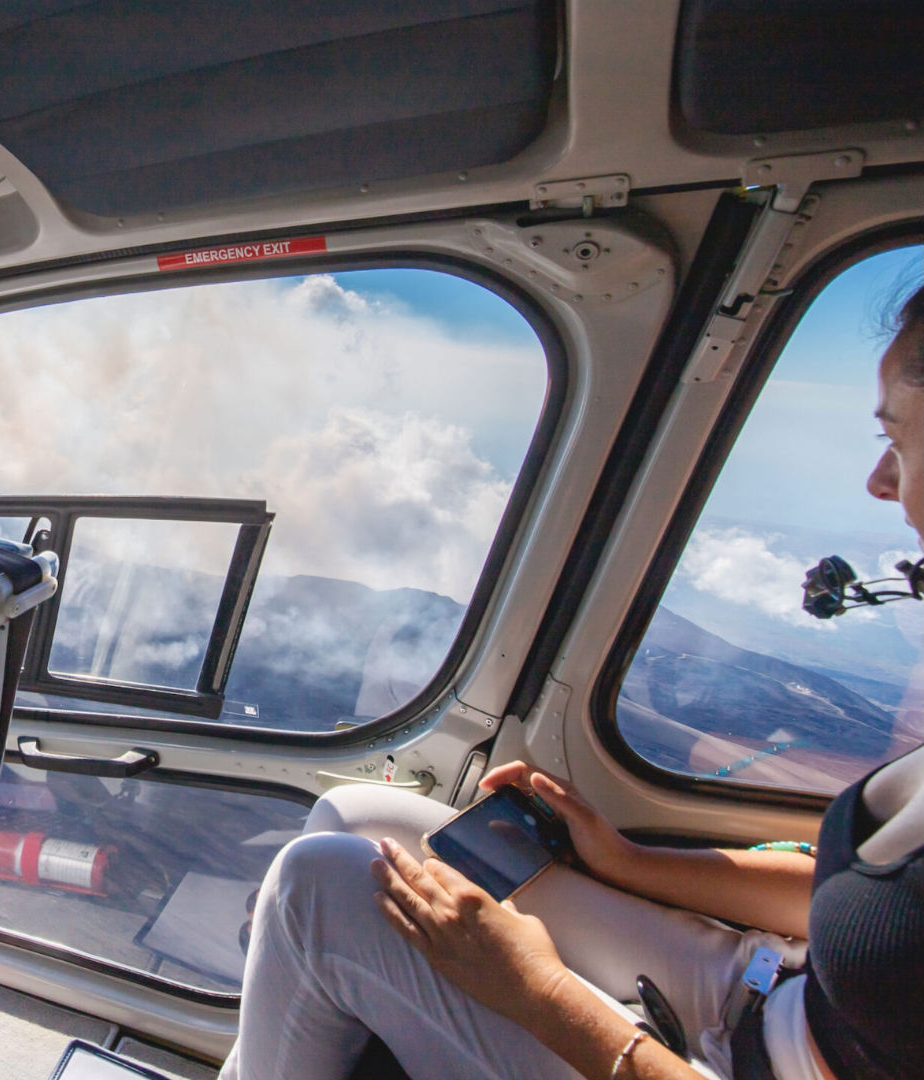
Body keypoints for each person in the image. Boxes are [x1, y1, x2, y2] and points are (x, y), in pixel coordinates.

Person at [221, 279, 924, 1080]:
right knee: (356, 816)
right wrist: (623, 860)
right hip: (769, 983)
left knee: (316, 888)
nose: (878, 480)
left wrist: (539, 991)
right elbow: (840, 895)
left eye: (898, 438)